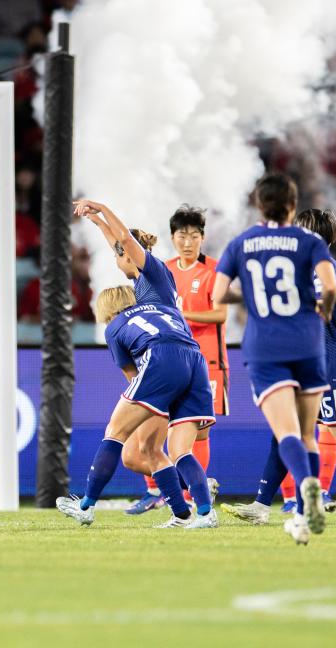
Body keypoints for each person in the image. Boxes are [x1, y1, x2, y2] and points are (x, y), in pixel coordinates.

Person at [223, 209, 336, 525]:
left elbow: (314, 314)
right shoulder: (310, 270)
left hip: (333, 372)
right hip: (309, 372)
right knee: (284, 436)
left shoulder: (324, 272)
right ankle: (261, 506)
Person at [57, 200, 217, 529]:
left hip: (162, 360)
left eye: (119, 256)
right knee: (164, 449)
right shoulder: (147, 295)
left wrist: (102, 209)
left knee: (115, 433)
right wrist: (97, 222)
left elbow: (125, 240)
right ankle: (194, 513)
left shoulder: (153, 276)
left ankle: (86, 506)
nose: (116, 260)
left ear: (130, 255)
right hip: (192, 359)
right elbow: (120, 243)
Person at [212, 173, 336, 545]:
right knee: (308, 434)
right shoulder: (310, 240)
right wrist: (325, 308)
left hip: (265, 347)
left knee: (286, 434)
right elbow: (330, 286)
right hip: (308, 342)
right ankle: (302, 516)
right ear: (292, 205)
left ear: (259, 205)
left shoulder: (241, 243)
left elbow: (219, 294)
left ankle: (307, 486)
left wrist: (253, 294)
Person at [128, 206, 226, 515]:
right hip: (168, 361)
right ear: (172, 238)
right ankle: (156, 490)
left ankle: (193, 492)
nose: (188, 242)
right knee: (155, 421)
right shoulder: (162, 270)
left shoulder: (215, 270)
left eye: (194, 236)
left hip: (207, 360)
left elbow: (221, 314)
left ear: (202, 238)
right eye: (182, 235)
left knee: (199, 430)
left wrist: (181, 315)